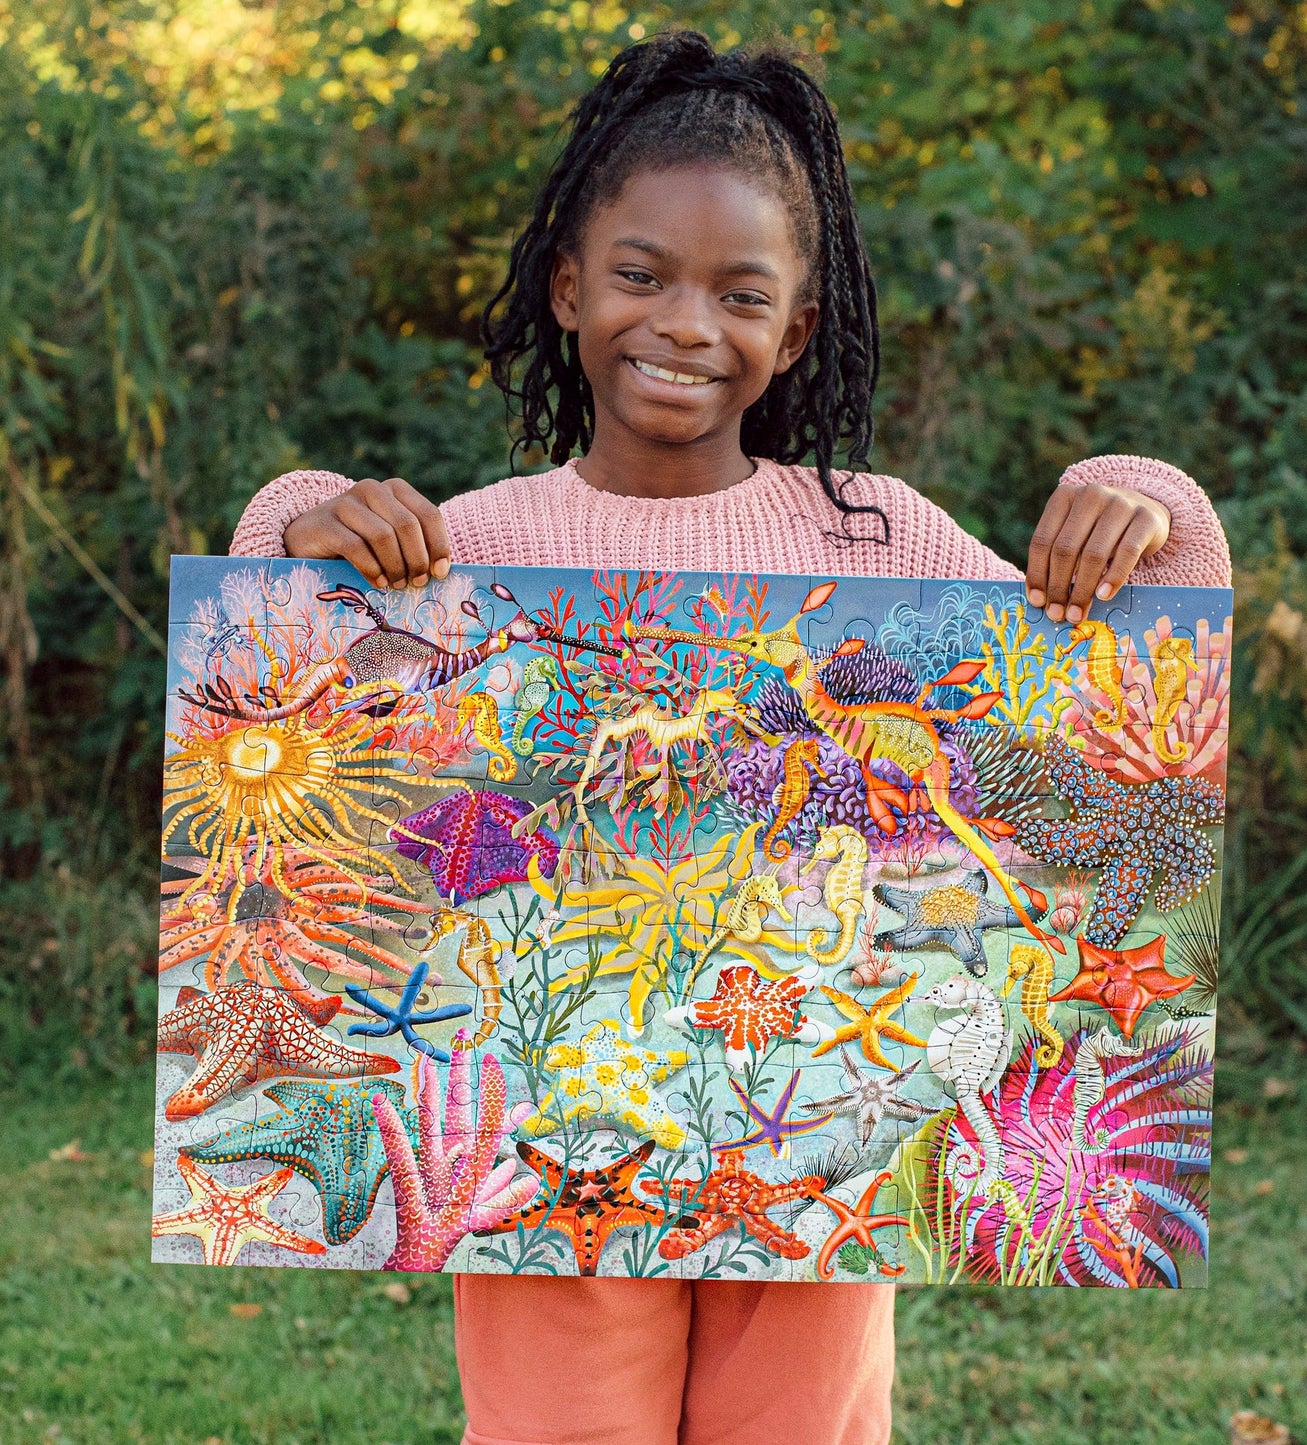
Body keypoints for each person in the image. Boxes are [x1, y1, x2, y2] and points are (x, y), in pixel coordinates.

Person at [230, 31, 1231, 1445]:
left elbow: (1138, 662)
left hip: (824, 1103)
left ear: (797, 328)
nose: (685, 322)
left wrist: (1139, 498)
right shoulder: (472, 551)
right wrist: (306, 518)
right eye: (640, 275)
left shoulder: (878, 540)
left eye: (738, 291)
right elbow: (272, 679)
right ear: (568, 287)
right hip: (553, 1111)